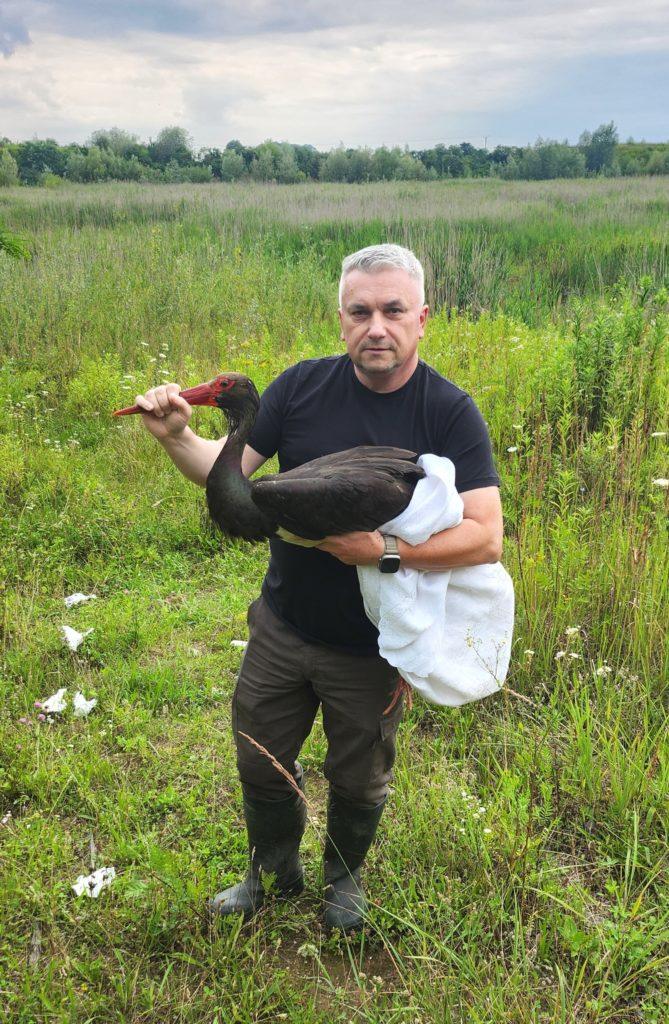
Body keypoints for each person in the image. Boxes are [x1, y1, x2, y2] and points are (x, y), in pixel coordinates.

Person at [133, 243, 503, 933]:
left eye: (393, 310)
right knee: (258, 756)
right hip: (284, 623)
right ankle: (270, 873)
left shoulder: (450, 412)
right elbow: (231, 481)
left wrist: (382, 548)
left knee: (359, 777)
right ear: (340, 319)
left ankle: (345, 881)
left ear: (422, 317)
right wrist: (174, 437)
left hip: (374, 646)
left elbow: (484, 537)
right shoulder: (299, 387)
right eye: (360, 311)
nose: (376, 327)